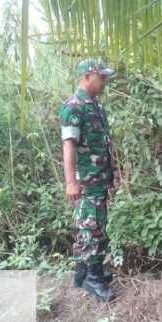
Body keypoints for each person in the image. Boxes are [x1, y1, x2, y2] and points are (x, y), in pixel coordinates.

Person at [60, 59, 118, 301]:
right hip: (85, 182)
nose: (104, 80)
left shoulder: (96, 105)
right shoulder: (74, 106)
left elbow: (102, 145)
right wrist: (71, 181)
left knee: (91, 225)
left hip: (99, 179)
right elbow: (68, 146)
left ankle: (83, 273)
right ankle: (93, 279)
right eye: (100, 76)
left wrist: (111, 175)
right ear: (86, 76)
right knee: (92, 229)